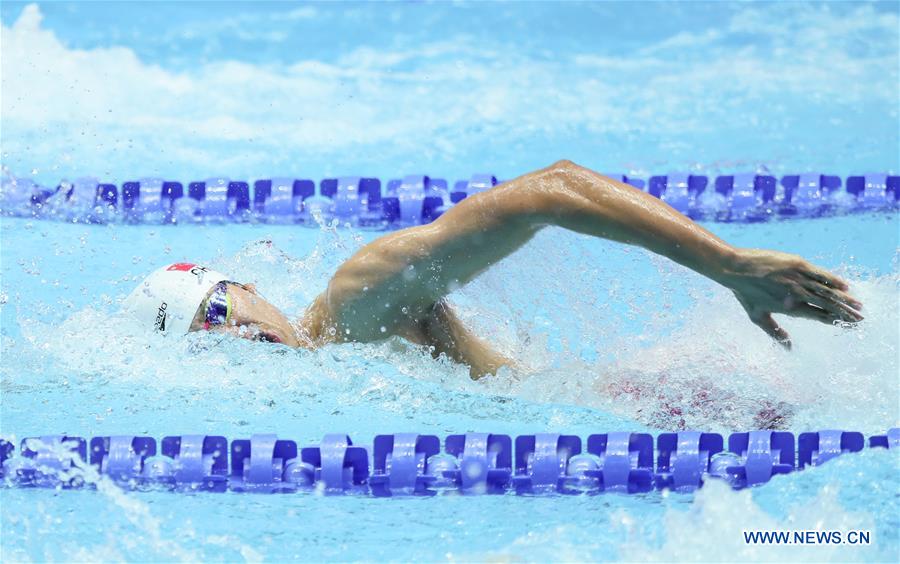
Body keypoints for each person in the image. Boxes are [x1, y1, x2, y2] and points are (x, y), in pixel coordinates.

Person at [123, 160, 863, 378]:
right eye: (202, 339)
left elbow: (550, 190)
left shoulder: (355, 302)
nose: (231, 338)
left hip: (661, 392)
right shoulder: (325, 363)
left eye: (219, 310)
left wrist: (729, 264)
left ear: (248, 289)